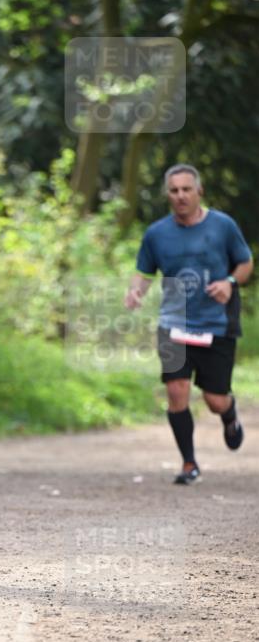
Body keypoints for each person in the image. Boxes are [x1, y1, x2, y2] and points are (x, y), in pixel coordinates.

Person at [125, 163, 253, 484]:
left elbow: (245, 263)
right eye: (174, 190)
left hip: (216, 323)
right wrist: (135, 292)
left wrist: (229, 283)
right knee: (177, 389)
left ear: (199, 191)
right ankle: (188, 463)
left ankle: (229, 413)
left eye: (186, 189)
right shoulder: (156, 234)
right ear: (167, 194)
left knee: (214, 399)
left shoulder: (223, 226)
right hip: (174, 323)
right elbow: (144, 272)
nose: (180, 196)